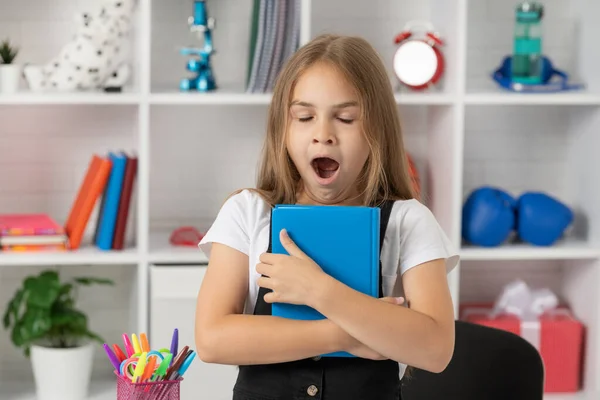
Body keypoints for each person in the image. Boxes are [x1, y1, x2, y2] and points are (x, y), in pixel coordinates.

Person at [195, 33, 459, 400]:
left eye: (346, 118)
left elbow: (435, 349)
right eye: (304, 117)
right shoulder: (246, 212)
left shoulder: (409, 222)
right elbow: (212, 340)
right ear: (282, 131)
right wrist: (346, 333)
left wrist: (319, 291)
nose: (323, 135)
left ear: (377, 132)